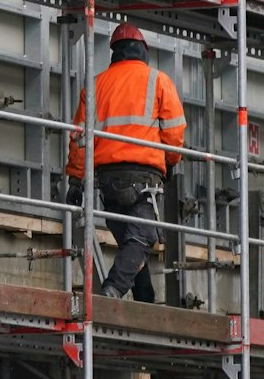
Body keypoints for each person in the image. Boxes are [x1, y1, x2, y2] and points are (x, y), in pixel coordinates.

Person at [66, 23, 186, 300]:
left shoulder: (95, 85)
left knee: (130, 241)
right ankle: (112, 291)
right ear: (144, 50)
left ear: (114, 52)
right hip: (143, 177)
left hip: (107, 180)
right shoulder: (158, 80)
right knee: (142, 237)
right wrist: (170, 161)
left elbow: (80, 139)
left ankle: (144, 296)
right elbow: (174, 132)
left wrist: (75, 180)